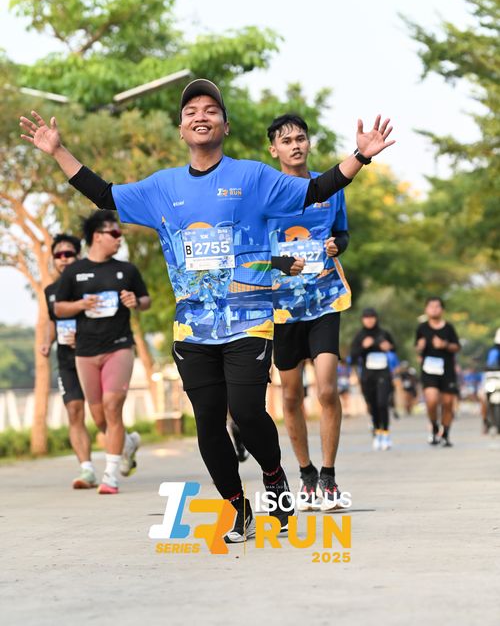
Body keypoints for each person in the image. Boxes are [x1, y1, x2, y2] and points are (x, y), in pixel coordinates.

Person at [20, 79, 394, 541]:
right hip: (192, 328)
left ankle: (274, 476)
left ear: (225, 126)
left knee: (248, 412)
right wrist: (58, 151)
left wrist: (360, 156)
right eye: (191, 111)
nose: (201, 115)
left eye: (211, 110)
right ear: (181, 129)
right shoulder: (162, 187)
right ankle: (238, 507)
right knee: (209, 425)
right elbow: (105, 194)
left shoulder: (253, 178)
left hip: (249, 319)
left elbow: (316, 188)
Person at [266, 113, 351, 512]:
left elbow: (342, 233)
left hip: (325, 300)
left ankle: (329, 476)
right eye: (286, 141)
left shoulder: (330, 188)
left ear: (309, 143)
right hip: (282, 308)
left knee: (327, 388)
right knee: (290, 395)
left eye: (300, 138)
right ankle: (306, 473)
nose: (295, 145)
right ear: (274, 150)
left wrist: (337, 246)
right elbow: (252, 250)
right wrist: (283, 264)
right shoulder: (265, 194)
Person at [54, 210, 151, 493]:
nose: (119, 238)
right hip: (85, 351)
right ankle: (128, 443)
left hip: (119, 346)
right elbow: (59, 308)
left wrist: (135, 301)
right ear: (98, 236)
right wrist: (80, 305)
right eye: (114, 233)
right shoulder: (74, 272)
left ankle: (110, 476)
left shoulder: (127, 270)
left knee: (112, 405)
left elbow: (145, 300)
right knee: (98, 417)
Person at [42, 233, 98, 489]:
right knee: (74, 410)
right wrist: (47, 341)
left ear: (78, 256)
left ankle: (125, 442)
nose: (63, 259)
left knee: (102, 413)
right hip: (66, 360)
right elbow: (52, 322)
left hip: (94, 355)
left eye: (68, 254)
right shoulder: (50, 292)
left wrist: (86, 335)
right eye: (58, 255)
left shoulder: (91, 283)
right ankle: (87, 469)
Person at [415, 297, 460, 447]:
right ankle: (434, 426)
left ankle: (445, 434)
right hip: (429, 370)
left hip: (447, 369)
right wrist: (420, 347)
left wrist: (444, 345)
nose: (434, 309)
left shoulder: (449, 328)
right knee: (432, 400)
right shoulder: (422, 328)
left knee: (448, 403)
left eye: (437, 306)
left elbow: (457, 347)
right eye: (431, 306)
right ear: (426, 309)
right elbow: (417, 348)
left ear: (442, 310)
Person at [351, 308, 396, 450]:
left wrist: (388, 347)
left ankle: (386, 434)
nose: (369, 320)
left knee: (383, 403)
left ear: (376, 318)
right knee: (373, 405)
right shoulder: (360, 335)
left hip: (383, 373)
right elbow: (353, 356)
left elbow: (394, 348)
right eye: (366, 317)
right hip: (367, 376)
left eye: (372, 317)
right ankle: (377, 433)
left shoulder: (384, 333)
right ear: (362, 320)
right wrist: (364, 347)